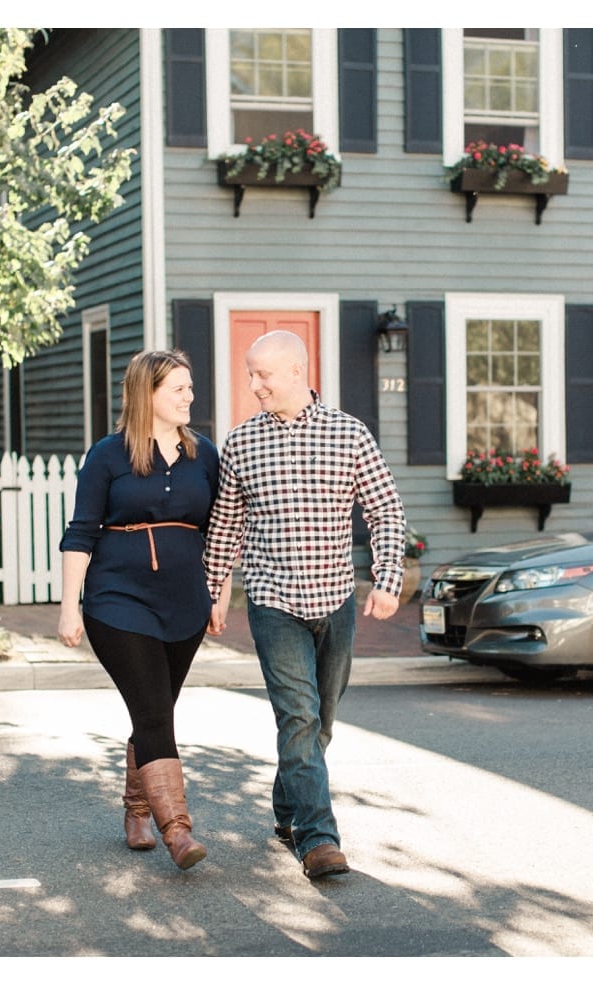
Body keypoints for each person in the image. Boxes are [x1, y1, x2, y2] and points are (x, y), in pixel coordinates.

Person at [203, 330, 406, 881]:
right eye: (250, 375)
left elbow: (386, 511)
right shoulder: (242, 442)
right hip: (273, 602)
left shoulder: (349, 435)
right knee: (298, 716)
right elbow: (225, 526)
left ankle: (286, 807)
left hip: (335, 599)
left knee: (320, 724)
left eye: (262, 375)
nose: (253, 386)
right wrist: (214, 590)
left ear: (296, 371)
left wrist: (386, 579)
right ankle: (319, 840)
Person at [57, 349, 222, 870]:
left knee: (156, 711)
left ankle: (135, 810)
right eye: (178, 388)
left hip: (185, 602)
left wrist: (219, 593)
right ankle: (177, 830)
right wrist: (69, 608)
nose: (189, 397)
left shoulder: (206, 456)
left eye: (190, 387)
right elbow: (80, 533)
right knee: (153, 711)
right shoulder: (108, 455)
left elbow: (221, 531)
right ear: (146, 393)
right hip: (118, 601)